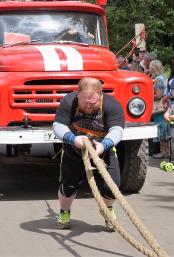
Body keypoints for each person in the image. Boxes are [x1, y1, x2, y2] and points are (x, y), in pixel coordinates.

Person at [53, 77, 125, 229]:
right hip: (74, 150)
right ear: (77, 95)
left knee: (111, 188)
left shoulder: (112, 105)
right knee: (68, 186)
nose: (88, 106)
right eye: (83, 102)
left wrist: (103, 145)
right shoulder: (68, 101)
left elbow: (117, 131)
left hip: (102, 151)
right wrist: (73, 139)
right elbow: (58, 126)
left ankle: (108, 210)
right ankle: (64, 212)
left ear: (100, 94)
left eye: (92, 103)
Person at [150, 60, 169, 159]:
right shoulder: (164, 77)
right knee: (164, 130)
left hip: (160, 108)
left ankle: (164, 152)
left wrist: (147, 95)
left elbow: (158, 95)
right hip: (164, 107)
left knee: (161, 130)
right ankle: (166, 152)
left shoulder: (158, 79)